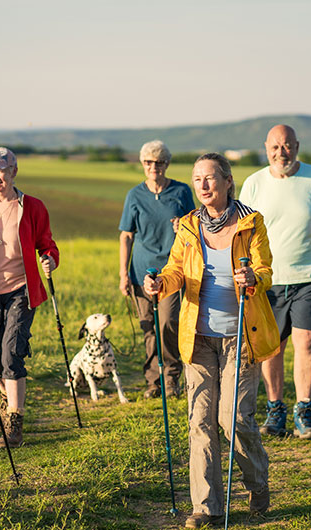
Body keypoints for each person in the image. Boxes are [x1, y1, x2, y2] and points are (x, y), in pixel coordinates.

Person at [144, 153, 279, 529]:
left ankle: (257, 484)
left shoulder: (251, 223)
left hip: (241, 334)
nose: (203, 185)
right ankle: (207, 507)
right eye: (197, 179)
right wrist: (159, 284)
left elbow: (266, 269)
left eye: (210, 178)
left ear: (227, 181)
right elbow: (174, 270)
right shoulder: (187, 227)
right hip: (198, 337)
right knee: (200, 422)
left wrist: (252, 277)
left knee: (234, 418)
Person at [238, 124, 311, 440]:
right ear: (266, 147)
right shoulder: (254, 183)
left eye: (287, 146)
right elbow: (241, 230)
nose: (280, 152)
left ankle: (304, 410)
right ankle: (275, 410)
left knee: (307, 342)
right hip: (268, 280)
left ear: (297, 146)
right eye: (275, 146)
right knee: (273, 347)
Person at [0, 147, 59, 447]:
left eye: (1, 170)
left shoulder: (32, 206)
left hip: (22, 289)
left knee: (11, 354)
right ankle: (9, 394)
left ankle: (15, 420)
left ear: (14, 172)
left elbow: (47, 244)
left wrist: (49, 259)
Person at [119, 140, 195, 399]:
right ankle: (154, 380)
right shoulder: (134, 195)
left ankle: (172, 376)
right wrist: (123, 275)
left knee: (169, 322)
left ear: (167, 164)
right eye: (149, 162)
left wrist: (181, 227)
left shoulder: (181, 191)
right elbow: (126, 236)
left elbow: (194, 226)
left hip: (172, 270)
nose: (154, 167)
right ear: (142, 164)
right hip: (140, 271)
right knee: (148, 327)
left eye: (160, 162)